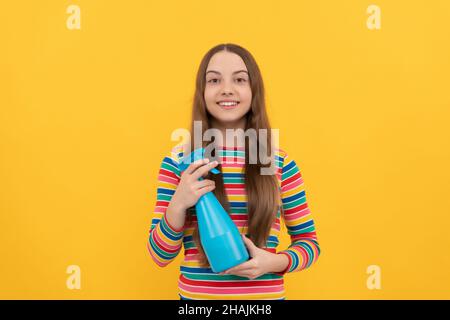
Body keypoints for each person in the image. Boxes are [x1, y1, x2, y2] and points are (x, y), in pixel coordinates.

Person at [147, 43, 320, 300]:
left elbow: (309, 243)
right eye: (214, 80)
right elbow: (159, 255)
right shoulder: (180, 162)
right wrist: (178, 203)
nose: (227, 89)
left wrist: (273, 263)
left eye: (239, 79)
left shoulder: (277, 162)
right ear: (202, 91)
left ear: (254, 90)